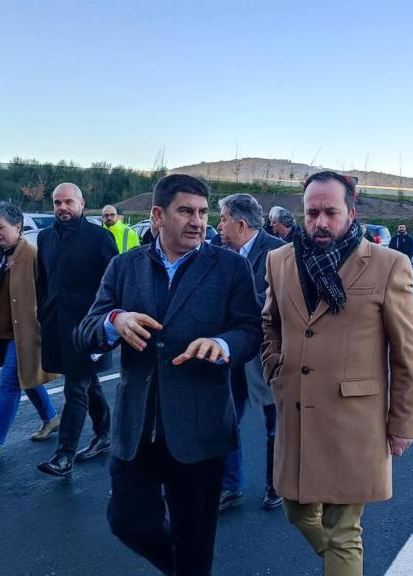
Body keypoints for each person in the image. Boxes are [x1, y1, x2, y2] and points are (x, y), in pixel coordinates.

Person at [74, 174, 261, 575]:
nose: (198, 222)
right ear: (158, 215)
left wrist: (223, 345)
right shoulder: (124, 267)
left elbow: (250, 330)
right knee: (127, 521)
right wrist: (114, 320)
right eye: (186, 211)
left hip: (200, 428)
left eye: (203, 212)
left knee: (196, 542)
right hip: (137, 429)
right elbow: (85, 331)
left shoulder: (229, 268)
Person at [263, 171, 413, 576]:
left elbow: (406, 352)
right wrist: (275, 366)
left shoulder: (389, 265)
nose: (320, 221)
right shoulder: (280, 260)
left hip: (354, 418)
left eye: (330, 212)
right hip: (297, 411)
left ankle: (342, 561)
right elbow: (270, 323)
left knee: (342, 532)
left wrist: (401, 423)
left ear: (350, 212)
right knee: (296, 511)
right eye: (312, 212)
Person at [36, 182, 119, 477]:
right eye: (58, 203)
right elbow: (42, 281)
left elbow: (113, 285)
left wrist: (104, 325)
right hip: (55, 326)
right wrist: (42, 312)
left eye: (68, 202)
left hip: (88, 329)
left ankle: (64, 454)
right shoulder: (45, 238)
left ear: (82, 204)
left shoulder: (99, 238)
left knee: (75, 388)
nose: (62, 208)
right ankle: (105, 433)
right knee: (86, 382)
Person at [215, 193, 286, 511]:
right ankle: (231, 485)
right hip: (231, 355)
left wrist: (236, 300)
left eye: (223, 219)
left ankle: (276, 485)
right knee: (226, 421)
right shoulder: (219, 252)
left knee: (275, 425)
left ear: (240, 224)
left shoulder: (280, 252)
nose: (218, 226)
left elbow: (281, 303)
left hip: (268, 356)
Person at [0, 202, 59, 465]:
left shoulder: (33, 255)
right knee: (27, 378)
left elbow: (47, 295)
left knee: (9, 384)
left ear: (18, 227)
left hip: (25, 333)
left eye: (1, 227)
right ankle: (51, 418)